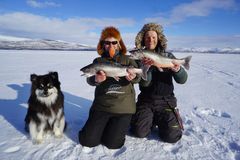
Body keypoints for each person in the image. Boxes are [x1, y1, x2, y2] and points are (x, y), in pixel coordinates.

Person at [79, 26, 141, 151]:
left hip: (123, 107)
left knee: (113, 144)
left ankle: (112, 128)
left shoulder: (128, 59)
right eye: (107, 42)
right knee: (88, 141)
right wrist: (96, 80)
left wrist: (133, 77)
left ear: (119, 44)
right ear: (102, 44)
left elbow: (138, 78)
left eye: (114, 42)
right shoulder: (98, 61)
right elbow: (90, 79)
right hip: (102, 106)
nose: (110, 45)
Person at [130, 23, 187, 143]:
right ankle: (148, 119)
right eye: (147, 37)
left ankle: (168, 118)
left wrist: (177, 69)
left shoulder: (168, 56)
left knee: (172, 137)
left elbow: (182, 80)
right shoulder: (139, 58)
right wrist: (147, 67)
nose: (151, 40)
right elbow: (144, 84)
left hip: (166, 102)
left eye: (154, 37)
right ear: (143, 40)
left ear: (158, 39)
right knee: (139, 132)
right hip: (146, 101)